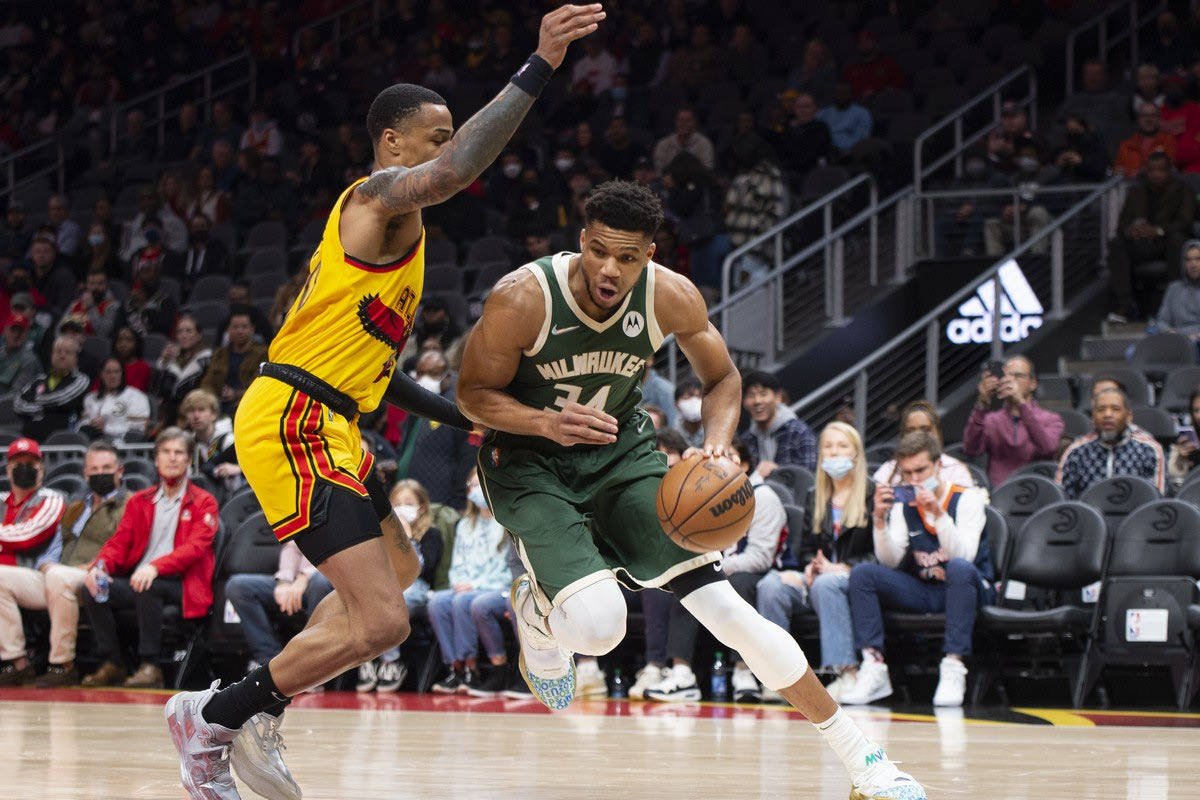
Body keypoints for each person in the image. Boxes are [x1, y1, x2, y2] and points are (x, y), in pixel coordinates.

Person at [165, 8, 608, 800]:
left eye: (449, 136)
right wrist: (539, 63)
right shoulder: (376, 199)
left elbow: (378, 372)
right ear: (393, 143)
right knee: (383, 624)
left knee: (399, 573)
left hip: (329, 417)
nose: (449, 147)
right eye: (436, 136)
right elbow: (457, 171)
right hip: (294, 419)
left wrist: (469, 416)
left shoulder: (399, 242)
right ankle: (213, 718)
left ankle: (256, 710)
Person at [456, 180, 925, 799]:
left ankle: (865, 761)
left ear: (649, 255)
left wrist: (719, 443)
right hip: (529, 462)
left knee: (730, 612)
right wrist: (545, 422)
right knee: (599, 629)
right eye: (599, 251)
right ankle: (540, 612)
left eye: (627, 257)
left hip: (619, 455)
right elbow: (472, 395)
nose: (609, 269)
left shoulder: (670, 295)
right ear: (582, 241)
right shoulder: (523, 297)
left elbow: (723, 377)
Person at [841, 432, 994, 708]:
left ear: (938, 465)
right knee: (864, 574)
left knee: (959, 567)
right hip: (926, 589)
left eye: (921, 470)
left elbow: (965, 556)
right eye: (907, 473)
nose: (914, 480)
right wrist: (879, 520)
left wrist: (938, 514)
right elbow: (890, 561)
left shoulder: (967, 499)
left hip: (968, 589)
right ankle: (873, 666)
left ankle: (953, 665)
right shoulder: (905, 506)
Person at [644, 439, 785, 703]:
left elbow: (760, 558)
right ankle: (682, 674)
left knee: (739, 583)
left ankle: (744, 672)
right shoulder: (704, 494)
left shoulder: (763, 496)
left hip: (760, 573)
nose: (718, 463)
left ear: (744, 465)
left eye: (728, 456)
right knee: (685, 580)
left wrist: (715, 566)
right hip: (720, 568)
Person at [80, 428, 219, 689]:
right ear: (156, 459)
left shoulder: (204, 502)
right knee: (94, 588)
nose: (172, 458)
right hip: (142, 578)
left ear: (189, 460)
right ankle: (112, 663)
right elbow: (118, 543)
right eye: (166, 452)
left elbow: (195, 547)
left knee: (148, 585)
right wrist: (100, 567)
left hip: (182, 583)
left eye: (179, 452)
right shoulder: (139, 501)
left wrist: (155, 567)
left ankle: (150, 665)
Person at [757, 422, 876, 704]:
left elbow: (879, 554)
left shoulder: (872, 493)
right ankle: (778, 677)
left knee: (826, 583)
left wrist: (842, 568)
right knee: (771, 585)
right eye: (828, 447)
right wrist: (811, 566)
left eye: (842, 446)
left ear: (856, 454)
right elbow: (808, 551)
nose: (834, 453)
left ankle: (846, 673)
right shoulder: (815, 495)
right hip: (820, 577)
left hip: (857, 580)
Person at [27, 441, 128, 687]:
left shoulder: (129, 504)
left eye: (106, 468)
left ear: (120, 471)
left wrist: (81, 569)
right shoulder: (75, 508)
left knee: (58, 578)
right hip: (58, 572)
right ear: (85, 473)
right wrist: (46, 565)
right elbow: (53, 549)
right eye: (94, 469)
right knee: (3, 577)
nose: (100, 474)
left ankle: (62, 665)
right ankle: (16, 663)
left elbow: (122, 549)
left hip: (94, 575)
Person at [428, 469, 513, 694]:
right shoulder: (465, 525)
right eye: (473, 485)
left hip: (496, 587)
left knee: (464, 602)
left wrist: (475, 586)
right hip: (466, 587)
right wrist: (459, 583)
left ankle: (472, 667)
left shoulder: (507, 523)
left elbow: (508, 570)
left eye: (482, 484)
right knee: (437, 602)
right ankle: (456, 667)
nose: (477, 490)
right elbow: (457, 564)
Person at [357, 479, 446, 693]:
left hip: (417, 588)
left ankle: (391, 661)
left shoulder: (432, 534)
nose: (402, 508)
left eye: (408, 503)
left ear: (421, 507)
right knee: (365, 598)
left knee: (393, 601)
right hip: (387, 585)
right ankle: (368, 658)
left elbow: (423, 569)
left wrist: (406, 539)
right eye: (396, 504)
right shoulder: (382, 534)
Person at [0, 438, 67, 685]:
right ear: (8, 469)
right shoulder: (1, 500)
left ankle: (17, 662)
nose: (24, 468)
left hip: (39, 578)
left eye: (30, 463)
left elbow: (29, 536)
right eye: (18, 464)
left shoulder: (51, 499)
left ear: (42, 468)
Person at [1107, 151, 1195, 322]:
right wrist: (1131, 231)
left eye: (1160, 170)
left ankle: (1175, 303)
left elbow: (1185, 221)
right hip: (1142, 243)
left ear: (1169, 171)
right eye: (1152, 170)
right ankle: (1125, 304)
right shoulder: (1136, 191)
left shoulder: (1183, 189)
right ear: (1146, 171)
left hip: (1167, 241)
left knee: (1177, 240)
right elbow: (1122, 225)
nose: (1156, 174)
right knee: (1116, 243)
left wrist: (1157, 230)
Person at [224, 541, 334, 675]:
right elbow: (292, 547)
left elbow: (342, 553)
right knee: (238, 587)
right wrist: (284, 582)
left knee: (320, 582)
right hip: (295, 582)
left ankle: (313, 666)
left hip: (329, 580)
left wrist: (305, 576)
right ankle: (272, 666)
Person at [962, 357, 1064, 487]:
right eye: (1006, 376)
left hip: (1038, 490)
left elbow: (1047, 449)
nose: (1009, 381)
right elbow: (971, 450)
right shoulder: (991, 420)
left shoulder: (1052, 419)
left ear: (1033, 383)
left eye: (1017, 376)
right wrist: (982, 404)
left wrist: (1021, 404)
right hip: (999, 492)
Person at [395, 350, 476, 509]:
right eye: (420, 373)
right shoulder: (416, 401)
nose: (425, 378)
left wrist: (458, 500)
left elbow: (468, 454)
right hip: (408, 495)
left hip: (440, 500)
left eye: (432, 373)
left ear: (447, 376)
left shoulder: (458, 406)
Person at [1057, 387, 1166, 498]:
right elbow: (1063, 500)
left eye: (1115, 409)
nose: (1107, 414)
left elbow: (1156, 499)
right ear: (1093, 417)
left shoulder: (1149, 450)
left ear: (1129, 417)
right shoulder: (1076, 451)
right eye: (1101, 409)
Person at [874, 400, 974, 489]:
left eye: (926, 430)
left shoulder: (955, 470)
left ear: (937, 432)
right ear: (903, 435)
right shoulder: (887, 471)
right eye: (911, 431)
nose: (919, 435)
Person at [739, 369, 818, 475]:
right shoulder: (746, 440)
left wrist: (777, 471)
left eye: (763, 394)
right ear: (744, 402)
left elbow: (810, 476)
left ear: (778, 398)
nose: (757, 401)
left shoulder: (799, 432)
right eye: (751, 395)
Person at [13, 336, 90, 441]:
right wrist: (42, 409)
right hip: (30, 439)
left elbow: (62, 398)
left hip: (62, 441)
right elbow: (18, 404)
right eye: (58, 351)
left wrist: (36, 401)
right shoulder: (39, 380)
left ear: (76, 359)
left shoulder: (81, 380)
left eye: (68, 352)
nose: (62, 355)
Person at [200, 307, 270, 416]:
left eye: (244, 327)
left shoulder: (263, 353)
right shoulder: (219, 354)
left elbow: (261, 385)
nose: (239, 331)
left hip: (249, 403)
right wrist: (211, 397)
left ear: (252, 329)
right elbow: (208, 383)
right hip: (218, 404)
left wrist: (236, 394)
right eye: (235, 327)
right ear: (228, 330)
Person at [179, 388, 243, 501]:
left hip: (231, 499)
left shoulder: (229, 440)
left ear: (213, 414)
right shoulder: (185, 443)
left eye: (201, 410)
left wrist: (238, 469)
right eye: (191, 411)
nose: (196, 416)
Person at [153, 313, 213, 425]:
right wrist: (163, 363)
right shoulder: (171, 361)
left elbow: (206, 391)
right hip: (170, 417)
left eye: (188, 331)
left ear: (199, 335)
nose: (183, 335)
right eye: (179, 332)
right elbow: (159, 391)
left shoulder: (207, 360)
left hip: (196, 416)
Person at [81, 357, 151, 442]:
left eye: (117, 372)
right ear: (101, 374)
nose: (113, 376)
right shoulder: (90, 398)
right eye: (108, 372)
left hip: (124, 445)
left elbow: (139, 428)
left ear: (122, 374)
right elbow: (82, 424)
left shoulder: (136, 396)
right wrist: (91, 425)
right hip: (95, 444)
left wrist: (106, 428)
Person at [1154, 239, 1200, 341]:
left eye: (1198, 259)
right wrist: (1170, 332)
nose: (1193, 264)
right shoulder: (1174, 289)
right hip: (1177, 341)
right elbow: (1161, 321)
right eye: (1188, 260)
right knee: (1133, 349)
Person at [58, 269, 118, 339]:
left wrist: (91, 308)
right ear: (86, 285)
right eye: (92, 284)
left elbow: (103, 333)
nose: (96, 287)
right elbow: (58, 329)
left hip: (93, 344)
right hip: (70, 342)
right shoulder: (76, 304)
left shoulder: (112, 306)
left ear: (106, 285)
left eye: (100, 284)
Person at [0, 312, 41, 394]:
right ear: (4, 331)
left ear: (26, 334)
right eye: (13, 329)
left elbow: (16, 395)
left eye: (21, 331)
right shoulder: (1, 352)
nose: (16, 334)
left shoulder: (29, 361)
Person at [1167, 386, 1200, 487]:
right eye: (1196, 410)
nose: (1199, 416)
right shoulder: (1187, 438)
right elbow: (1174, 476)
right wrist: (1181, 459)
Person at [671, 377, 705, 449]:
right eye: (687, 397)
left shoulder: (717, 432)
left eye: (699, 397)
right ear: (676, 405)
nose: (694, 402)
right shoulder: (671, 437)